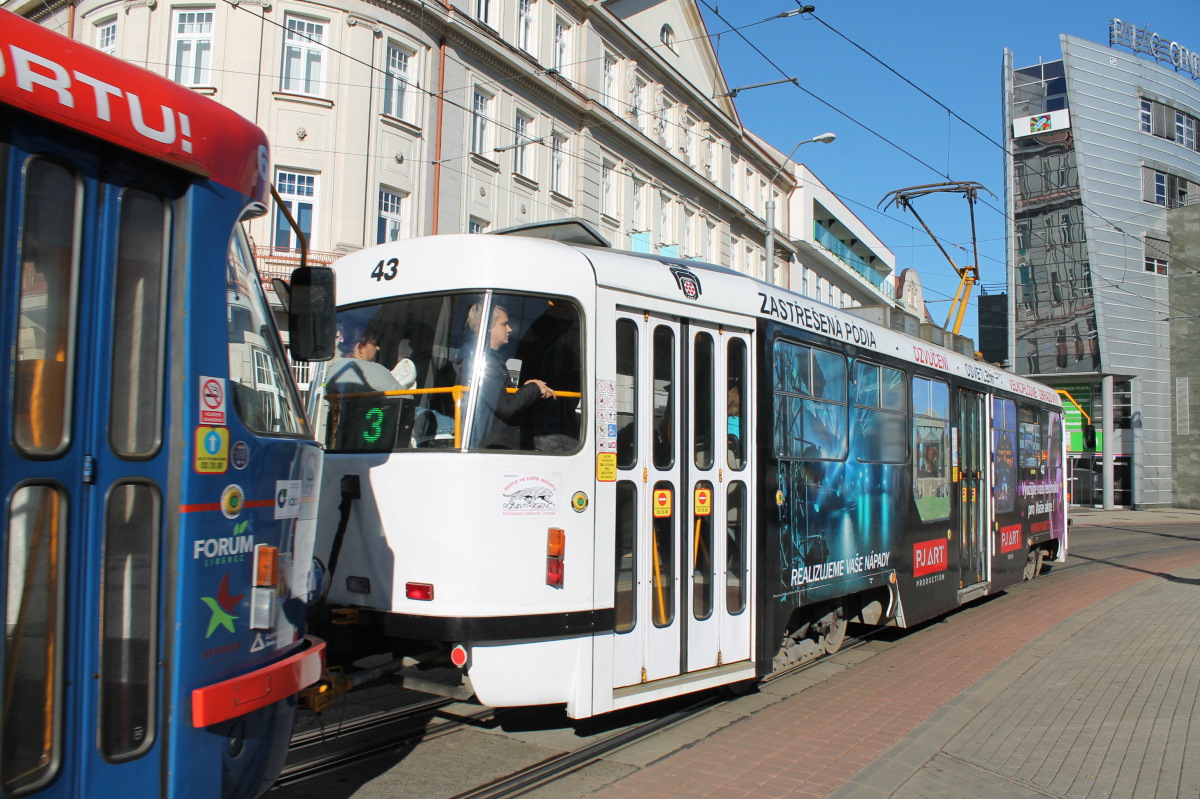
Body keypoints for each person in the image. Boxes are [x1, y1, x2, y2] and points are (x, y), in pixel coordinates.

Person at [466, 303, 555, 449]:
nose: (509, 329)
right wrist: (534, 388)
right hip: (490, 446)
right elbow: (506, 408)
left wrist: (529, 388)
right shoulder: (484, 363)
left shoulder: (489, 360)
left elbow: (503, 399)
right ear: (488, 327)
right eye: (504, 324)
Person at [326, 323, 401, 394]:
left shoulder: (334, 369)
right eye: (373, 344)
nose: (378, 348)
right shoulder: (374, 370)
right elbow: (404, 398)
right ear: (361, 347)